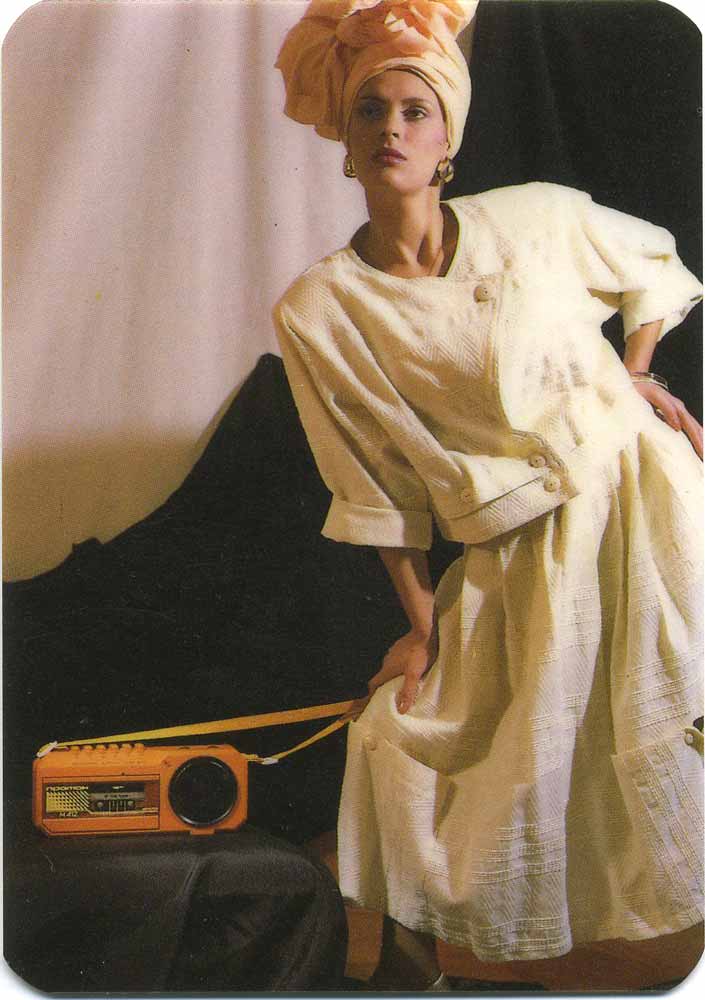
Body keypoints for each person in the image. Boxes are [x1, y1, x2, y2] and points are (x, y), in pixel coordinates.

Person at [273, 0, 704, 989]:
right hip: (522, 545)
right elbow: (373, 486)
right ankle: (465, 955)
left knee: (673, 713)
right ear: (345, 139)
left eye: (415, 111)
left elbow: (654, 262)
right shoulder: (321, 309)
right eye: (371, 110)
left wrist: (635, 373)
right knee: (438, 741)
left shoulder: (536, 218)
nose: (392, 130)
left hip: (649, 498)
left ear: (447, 142)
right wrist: (423, 626)